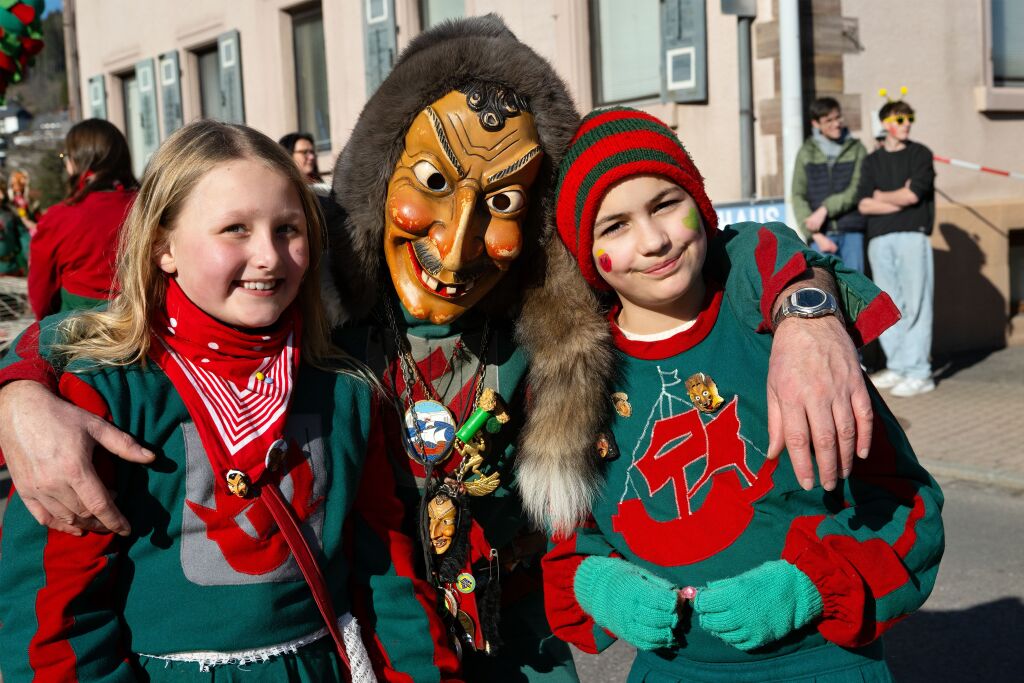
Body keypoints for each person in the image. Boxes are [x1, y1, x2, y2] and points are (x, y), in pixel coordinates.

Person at [0, 16, 877, 682]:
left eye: (501, 204)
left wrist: (806, 303)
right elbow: (116, 341)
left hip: (518, 651)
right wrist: (20, 388)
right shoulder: (319, 325)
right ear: (378, 186)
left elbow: (702, 267)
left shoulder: (561, 325)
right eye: (431, 184)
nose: (455, 248)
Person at [0, 120, 459, 681]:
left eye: (288, 228)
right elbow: (54, 620)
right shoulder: (101, 397)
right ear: (164, 246)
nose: (268, 255)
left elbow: (387, 575)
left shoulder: (345, 391)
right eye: (235, 229)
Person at [542, 108, 944, 682]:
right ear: (585, 251)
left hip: (820, 667)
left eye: (664, 204)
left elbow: (911, 509)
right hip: (669, 672)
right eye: (615, 227)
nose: (654, 241)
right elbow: (567, 534)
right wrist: (594, 579)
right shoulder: (572, 378)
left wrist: (811, 586)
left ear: (700, 204)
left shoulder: (779, 329)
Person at [857, 99, 936, 397]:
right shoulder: (872, 161)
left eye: (909, 118)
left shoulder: (920, 154)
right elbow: (864, 203)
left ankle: (920, 372)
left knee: (917, 303)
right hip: (880, 239)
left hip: (912, 235)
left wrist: (882, 197)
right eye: (900, 119)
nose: (906, 124)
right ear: (885, 124)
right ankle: (900, 366)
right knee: (891, 304)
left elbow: (913, 196)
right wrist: (895, 196)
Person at [27, 118, 138, 319]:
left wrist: (44, 326)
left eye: (67, 156)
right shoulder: (147, 205)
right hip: (147, 327)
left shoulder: (59, 217)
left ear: (78, 161)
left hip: (79, 331)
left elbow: (40, 290)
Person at [792, 97, 868, 272]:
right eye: (828, 120)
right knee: (827, 292)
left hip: (852, 232)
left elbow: (857, 189)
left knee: (855, 291)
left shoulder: (857, 149)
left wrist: (825, 209)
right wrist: (815, 235)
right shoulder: (806, 152)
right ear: (816, 123)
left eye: (838, 118)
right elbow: (798, 195)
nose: (836, 124)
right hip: (821, 236)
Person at [0, 174, 27, 275]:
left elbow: (23, 236)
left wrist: (29, 255)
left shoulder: (11, 212)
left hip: (11, 268)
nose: (1, 196)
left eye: (2, 191)